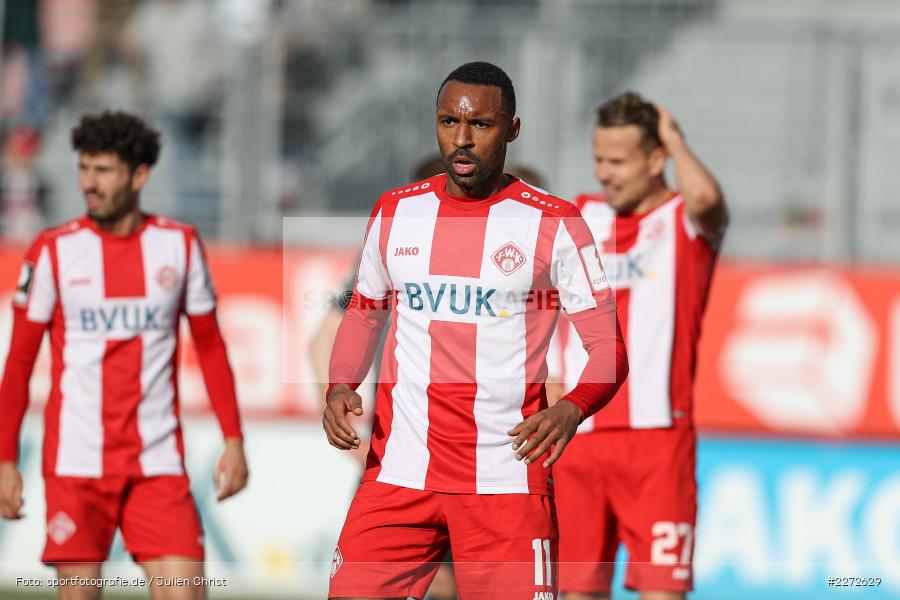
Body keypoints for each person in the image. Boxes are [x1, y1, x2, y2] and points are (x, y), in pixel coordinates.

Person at [322, 61, 628, 600]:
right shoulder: (396, 211)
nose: (461, 140)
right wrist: (341, 382)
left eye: (480, 126)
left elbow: (606, 346)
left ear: (512, 129)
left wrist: (573, 406)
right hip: (397, 476)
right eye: (448, 122)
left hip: (505, 482)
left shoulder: (554, 222)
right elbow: (364, 312)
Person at [0, 111, 248, 600]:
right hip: (75, 464)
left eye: (104, 171)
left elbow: (211, 346)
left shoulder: (178, 245)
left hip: (157, 464)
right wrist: (5, 459)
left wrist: (234, 438)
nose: (89, 183)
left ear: (139, 175)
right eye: (85, 168)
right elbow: (20, 362)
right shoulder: (52, 252)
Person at [549, 92, 727, 600]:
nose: (604, 173)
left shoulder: (683, 220)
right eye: (598, 159)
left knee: (661, 591)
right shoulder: (580, 216)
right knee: (576, 591)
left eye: (618, 161)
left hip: (657, 444)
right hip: (576, 436)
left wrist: (675, 140)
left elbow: (708, 200)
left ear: (655, 160)